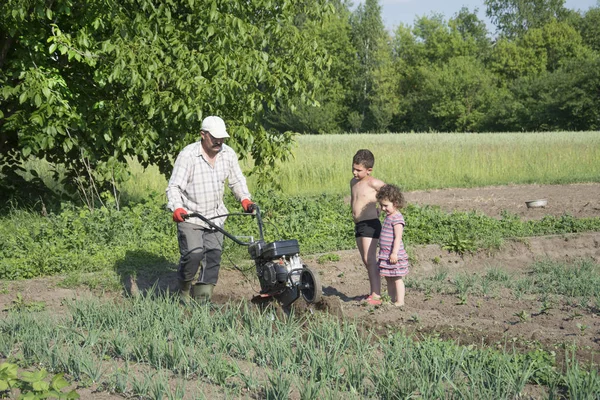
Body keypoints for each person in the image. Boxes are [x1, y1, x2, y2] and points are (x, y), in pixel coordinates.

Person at [166, 116, 255, 304]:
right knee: (194, 254)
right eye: (214, 137)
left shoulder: (227, 154)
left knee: (213, 257)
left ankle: (202, 301)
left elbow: (236, 181)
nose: (219, 141)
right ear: (203, 135)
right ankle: (183, 291)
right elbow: (174, 187)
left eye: (222, 138)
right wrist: (177, 207)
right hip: (191, 216)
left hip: (216, 216)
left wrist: (245, 200)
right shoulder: (188, 156)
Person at [350, 149, 385, 305]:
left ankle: (376, 295)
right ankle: (373, 292)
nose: (354, 172)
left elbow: (392, 194)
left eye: (358, 170)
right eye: (353, 168)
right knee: (366, 260)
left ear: (369, 170)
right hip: (359, 225)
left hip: (371, 223)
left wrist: (383, 209)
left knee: (369, 259)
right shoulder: (353, 182)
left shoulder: (374, 183)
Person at [376, 184, 409, 307]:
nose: (383, 208)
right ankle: (391, 299)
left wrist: (394, 253)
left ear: (395, 203)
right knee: (388, 278)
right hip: (386, 254)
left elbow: (398, 238)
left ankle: (400, 301)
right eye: (381, 205)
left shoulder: (397, 218)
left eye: (386, 206)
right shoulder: (388, 216)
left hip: (394, 254)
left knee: (396, 278)